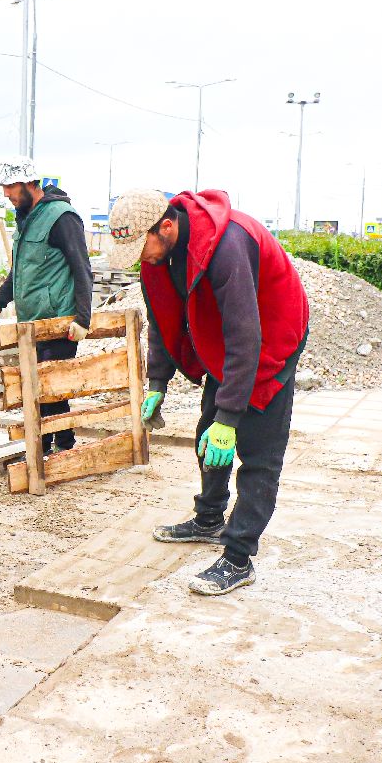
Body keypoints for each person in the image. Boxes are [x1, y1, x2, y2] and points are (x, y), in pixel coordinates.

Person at [105, 188, 310, 596]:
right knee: (207, 434)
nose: (139, 258)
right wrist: (157, 382)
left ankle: (238, 557)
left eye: (140, 247)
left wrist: (230, 419)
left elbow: (246, 338)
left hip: (271, 339)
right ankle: (210, 518)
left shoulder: (227, 245)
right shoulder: (161, 253)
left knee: (258, 453)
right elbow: (164, 317)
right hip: (226, 338)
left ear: (166, 227)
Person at [0, 160, 94, 455]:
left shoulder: (61, 217)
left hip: (59, 321)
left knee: (49, 386)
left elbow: (82, 269)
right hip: (31, 321)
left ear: (29, 184)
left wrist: (83, 319)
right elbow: (21, 269)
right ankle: (50, 447)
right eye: (4, 187)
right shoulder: (26, 217)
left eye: (10, 187)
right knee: (39, 387)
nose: (6, 194)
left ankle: (57, 447)